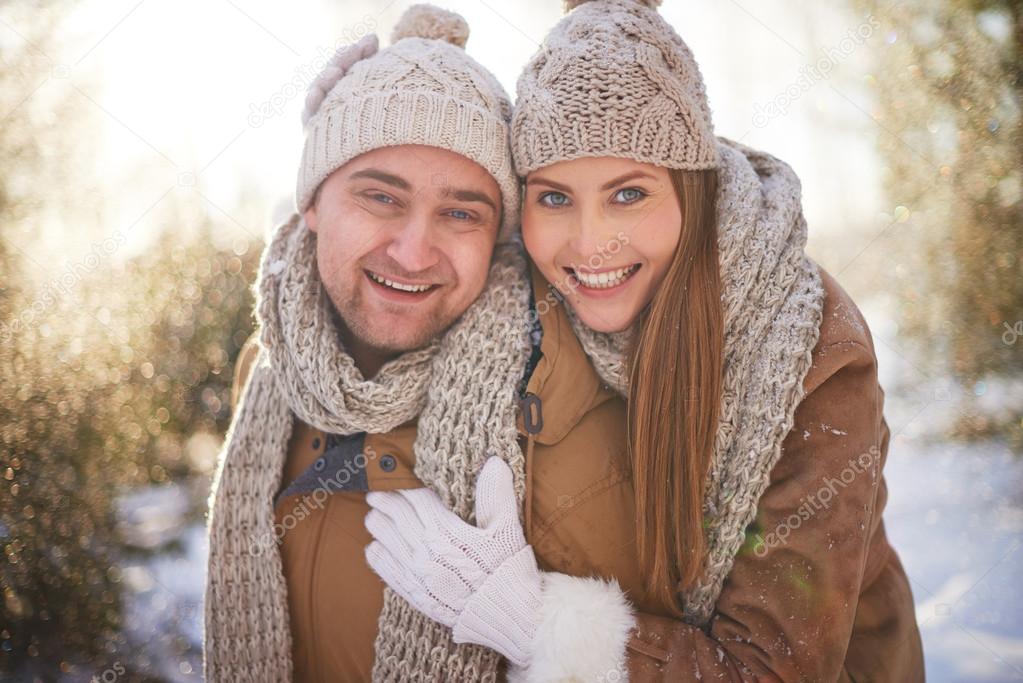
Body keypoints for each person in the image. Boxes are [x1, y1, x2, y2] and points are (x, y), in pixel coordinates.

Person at [362, 1, 927, 681]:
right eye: (553, 197)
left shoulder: (808, 346)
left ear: (692, 191)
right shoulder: (519, 297)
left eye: (628, 194)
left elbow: (773, 669)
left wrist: (539, 623)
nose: (590, 242)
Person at [204, 5, 532, 681]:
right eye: (380, 196)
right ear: (313, 204)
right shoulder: (266, 373)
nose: (413, 252)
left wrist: (546, 632)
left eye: (461, 212)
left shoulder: (549, 403)